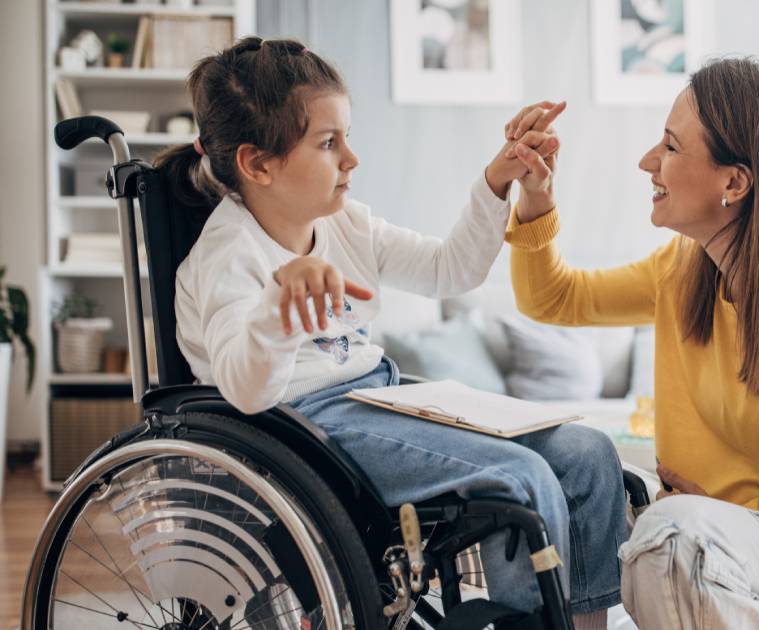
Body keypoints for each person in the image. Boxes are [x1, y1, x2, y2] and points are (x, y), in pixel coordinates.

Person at [159, 36, 626, 627]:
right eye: (329, 143)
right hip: (307, 428)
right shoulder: (227, 256)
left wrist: (495, 182)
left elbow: (450, 270)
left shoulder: (347, 224)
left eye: (346, 137)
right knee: (518, 478)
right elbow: (246, 392)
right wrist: (279, 302)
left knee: (588, 453)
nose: (351, 158)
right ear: (258, 164)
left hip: (380, 398)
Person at [504, 57, 759, 629]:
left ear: (735, 182)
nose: (647, 162)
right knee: (583, 495)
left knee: (673, 542)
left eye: (671, 148)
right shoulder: (684, 270)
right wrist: (536, 195)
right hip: (716, 554)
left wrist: (726, 514)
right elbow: (553, 299)